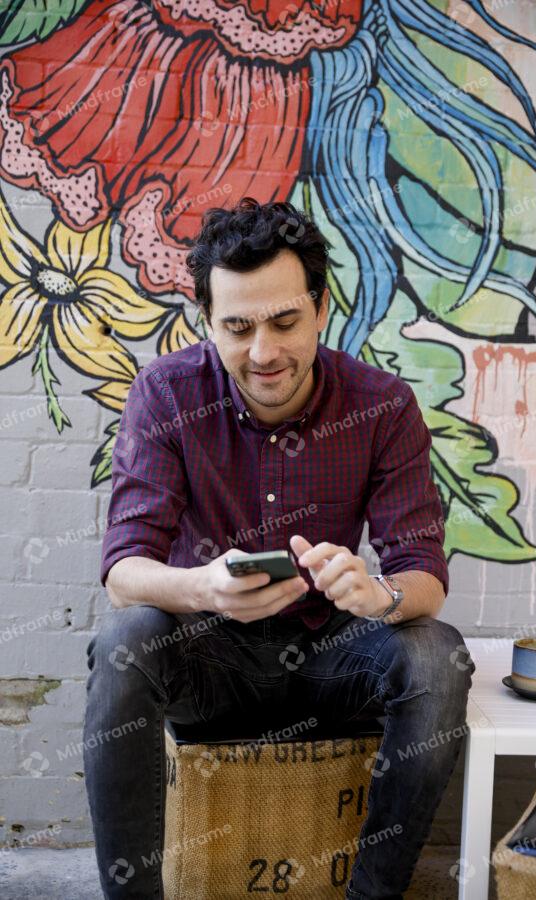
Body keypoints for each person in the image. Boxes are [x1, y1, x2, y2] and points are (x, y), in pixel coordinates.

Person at [84, 196, 475, 899]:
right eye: (237, 327)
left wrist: (379, 597)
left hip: (335, 662)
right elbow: (124, 572)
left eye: (285, 321)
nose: (263, 353)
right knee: (125, 640)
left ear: (322, 308)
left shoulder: (381, 406)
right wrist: (205, 587)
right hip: (210, 662)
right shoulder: (166, 394)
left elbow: (424, 577)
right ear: (206, 320)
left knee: (436, 654)